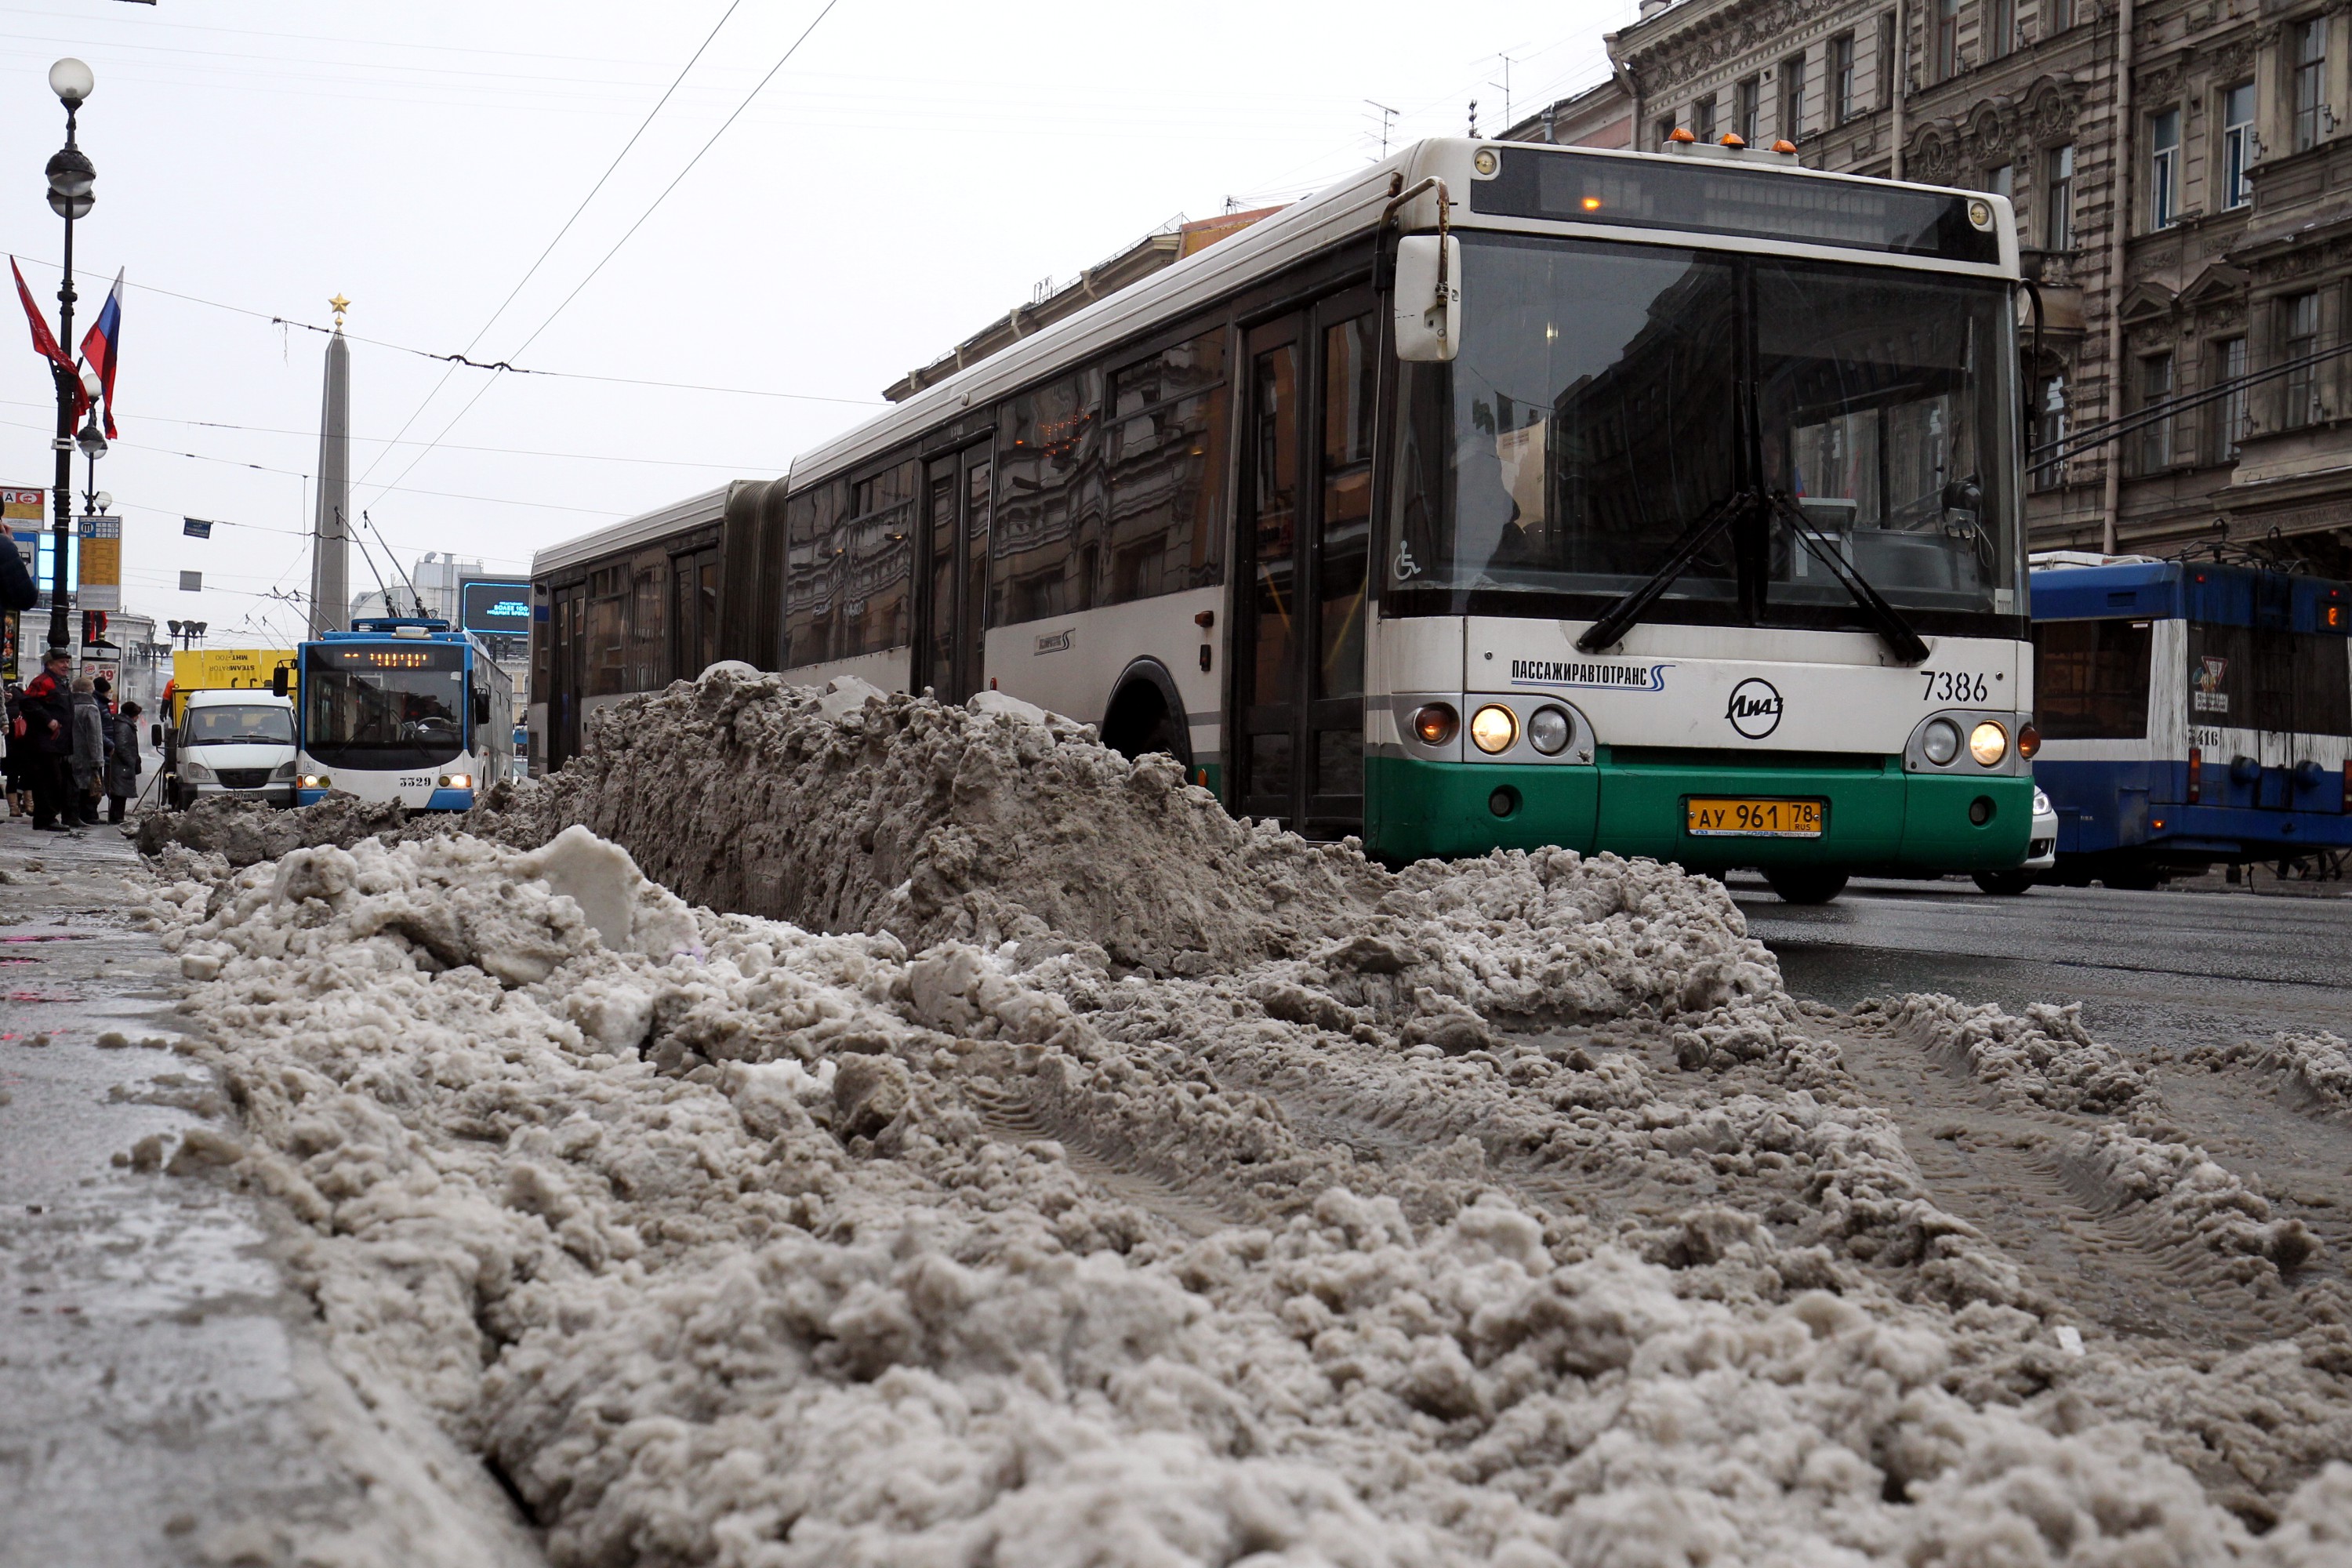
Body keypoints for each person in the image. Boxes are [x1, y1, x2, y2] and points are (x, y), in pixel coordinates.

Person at [20, 648, 74, 831]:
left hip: (56, 743)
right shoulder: (44, 681)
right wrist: (48, 720)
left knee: (55, 780)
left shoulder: (61, 683)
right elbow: (28, 702)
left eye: (67, 661)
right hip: (44, 743)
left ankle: (47, 817)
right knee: (48, 780)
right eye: (62, 662)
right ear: (50, 664)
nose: (66, 665)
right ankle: (45, 818)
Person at [70, 675, 105, 826]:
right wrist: (98, 759)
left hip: (70, 754)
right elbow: (95, 736)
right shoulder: (91, 708)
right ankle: (89, 815)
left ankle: (74, 814)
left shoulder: (70, 706)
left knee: (74, 785)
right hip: (87, 755)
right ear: (90, 691)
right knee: (89, 787)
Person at [103, 699, 141, 824]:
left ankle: (116, 816)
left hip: (119, 765)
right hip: (120, 765)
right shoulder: (125, 726)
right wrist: (131, 761)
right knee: (119, 792)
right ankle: (117, 817)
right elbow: (122, 746)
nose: (137, 719)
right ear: (132, 715)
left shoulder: (122, 723)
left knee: (119, 792)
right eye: (136, 715)